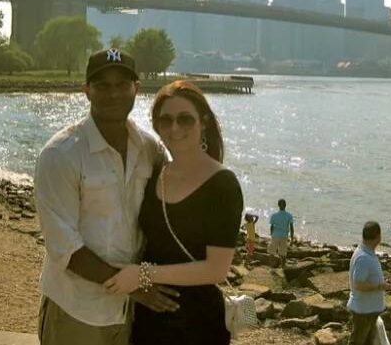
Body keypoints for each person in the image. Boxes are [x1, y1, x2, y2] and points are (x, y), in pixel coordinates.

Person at [34, 48, 178, 345]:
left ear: (136, 89)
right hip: (76, 308)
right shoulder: (61, 154)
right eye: (102, 86)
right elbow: (64, 248)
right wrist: (138, 287)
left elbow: (163, 220)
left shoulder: (150, 149)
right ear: (87, 91)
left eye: (122, 85)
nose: (113, 94)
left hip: (127, 313)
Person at [104, 80, 244, 345]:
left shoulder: (222, 185)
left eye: (185, 119)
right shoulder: (157, 171)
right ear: (156, 125)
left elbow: (216, 269)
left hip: (198, 321)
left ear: (203, 123)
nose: (175, 128)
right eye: (165, 120)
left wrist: (143, 275)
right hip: (148, 314)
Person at [347, 221, 386, 345]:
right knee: (357, 342)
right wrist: (380, 286)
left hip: (368, 310)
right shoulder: (363, 257)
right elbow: (358, 284)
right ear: (377, 237)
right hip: (363, 311)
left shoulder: (366, 252)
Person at [268, 198, 294, 267]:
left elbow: (272, 227)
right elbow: (291, 228)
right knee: (283, 253)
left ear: (278, 205)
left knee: (272, 252)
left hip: (275, 235)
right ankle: (283, 266)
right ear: (285, 205)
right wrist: (292, 238)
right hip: (284, 236)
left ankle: (272, 266)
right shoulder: (289, 215)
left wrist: (271, 234)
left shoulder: (274, 215)